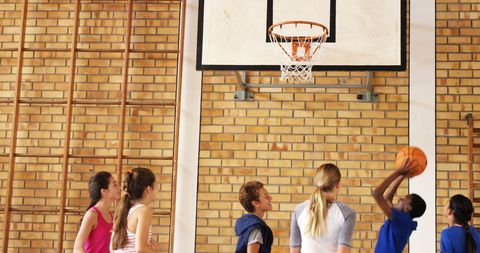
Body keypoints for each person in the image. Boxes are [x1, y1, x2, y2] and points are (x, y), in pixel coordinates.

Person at [290, 163, 356, 253]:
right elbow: (343, 251)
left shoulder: (299, 210)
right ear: (337, 185)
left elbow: (294, 250)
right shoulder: (347, 213)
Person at [372, 159, 426, 253]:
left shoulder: (402, 220)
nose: (399, 199)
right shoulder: (403, 220)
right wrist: (402, 175)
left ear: (408, 208)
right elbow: (387, 198)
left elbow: (376, 193)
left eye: (404, 199)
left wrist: (397, 172)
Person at [110, 167, 159, 253]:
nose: (157, 190)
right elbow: (141, 248)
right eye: (156, 186)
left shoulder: (124, 210)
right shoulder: (144, 210)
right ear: (148, 189)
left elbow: (112, 248)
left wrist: (148, 240)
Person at [74, 171, 120, 253]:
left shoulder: (112, 217)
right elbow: (77, 248)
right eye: (115, 185)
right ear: (104, 191)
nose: (119, 188)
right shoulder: (92, 215)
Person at [235, 181, 274, 253]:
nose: (270, 198)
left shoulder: (249, 224)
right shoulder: (255, 228)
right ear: (256, 203)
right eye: (266, 196)